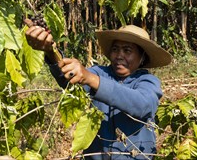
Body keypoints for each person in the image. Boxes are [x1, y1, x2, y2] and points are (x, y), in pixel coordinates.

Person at [24, 19, 172, 159]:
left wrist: (90, 78)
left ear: (142, 57)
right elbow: (71, 79)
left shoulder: (147, 81)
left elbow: (142, 104)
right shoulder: (100, 73)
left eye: (127, 51)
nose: (119, 56)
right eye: (115, 49)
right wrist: (51, 51)